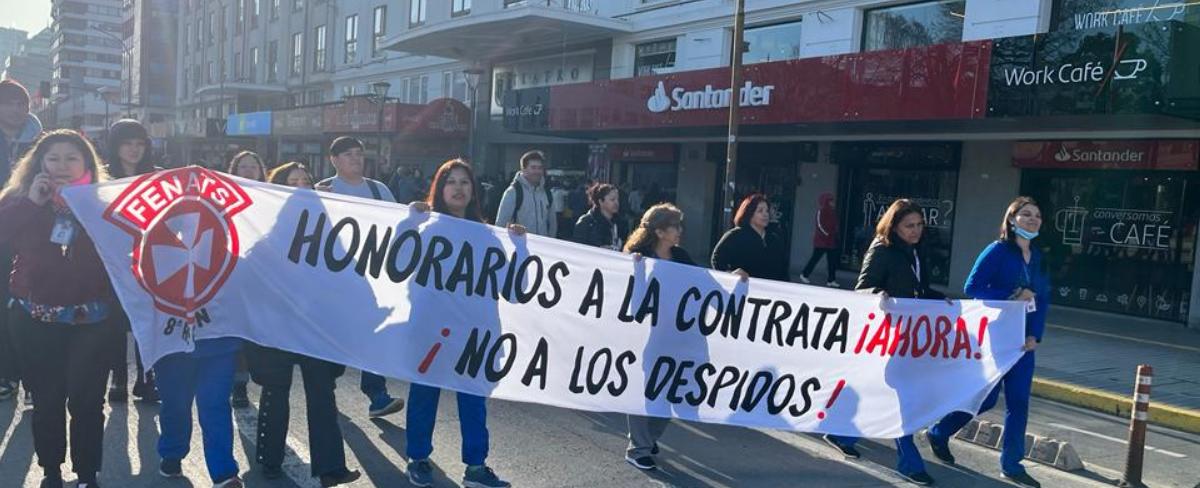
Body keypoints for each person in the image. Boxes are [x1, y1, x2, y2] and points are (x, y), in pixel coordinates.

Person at [0, 129, 112, 488]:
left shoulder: (104, 202)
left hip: (92, 320)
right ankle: (51, 469)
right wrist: (33, 202)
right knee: (47, 399)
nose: (62, 165)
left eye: (71, 158)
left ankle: (87, 473)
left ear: (87, 164)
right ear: (39, 163)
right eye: (53, 158)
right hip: (35, 318)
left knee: (87, 400)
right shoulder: (20, 198)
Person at [248, 162, 361, 485]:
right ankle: (270, 459)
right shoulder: (264, 230)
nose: (300, 186)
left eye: (305, 181)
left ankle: (331, 467)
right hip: (277, 327)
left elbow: (349, 268)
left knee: (322, 393)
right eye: (291, 181)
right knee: (275, 393)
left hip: (317, 326)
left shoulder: (332, 227)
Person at [404, 159, 513, 488]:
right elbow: (397, 263)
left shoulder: (488, 235)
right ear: (440, 187)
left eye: (465, 182)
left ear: (473, 190)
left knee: (473, 399)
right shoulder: (426, 227)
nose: (458, 188)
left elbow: (509, 286)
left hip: (475, 332)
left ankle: (476, 467)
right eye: (451, 182)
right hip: (431, 329)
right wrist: (409, 223)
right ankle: (418, 458)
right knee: (424, 394)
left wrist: (519, 246)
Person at [926, 197, 1048, 488]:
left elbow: (1042, 298)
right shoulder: (997, 251)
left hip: (1024, 342)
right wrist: (1012, 294)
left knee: (1019, 403)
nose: (1032, 219)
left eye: (1037, 215)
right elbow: (973, 286)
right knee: (987, 398)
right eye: (1026, 214)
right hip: (996, 336)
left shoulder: (1039, 257)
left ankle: (1012, 465)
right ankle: (940, 431)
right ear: (1012, 219)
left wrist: (1036, 335)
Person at [821, 198, 942, 486]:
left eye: (919, 225)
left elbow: (919, 289)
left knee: (882, 392)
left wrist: (942, 301)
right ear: (894, 225)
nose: (915, 231)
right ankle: (909, 463)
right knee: (904, 401)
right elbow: (863, 287)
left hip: (907, 335)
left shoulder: (915, 252)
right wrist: (878, 294)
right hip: (885, 335)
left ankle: (841, 433)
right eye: (909, 226)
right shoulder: (882, 250)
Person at [315, 136, 406, 418]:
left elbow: (399, 228)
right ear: (334, 160)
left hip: (371, 278)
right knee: (334, 341)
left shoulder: (379, 191)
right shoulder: (323, 191)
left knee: (373, 335)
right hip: (333, 281)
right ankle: (324, 385)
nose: (356, 159)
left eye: (359, 153)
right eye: (348, 154)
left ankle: (377, 394)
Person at [101, 119, 160, 404]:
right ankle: (118, 377)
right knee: (113, 321)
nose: (134, 150)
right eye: (127, 143)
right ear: (115, 146)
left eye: (140, 143)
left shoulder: (155, 178)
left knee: (145, 320)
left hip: (148, 260)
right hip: (110, 261)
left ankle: (147, 375)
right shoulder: (100, 178)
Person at [0, 79, 43, 404]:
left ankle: (33, 376)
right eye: (10, 102)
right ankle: (7, 372)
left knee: (31, 301)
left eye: (22, 103)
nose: (17, 109)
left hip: (31, 230)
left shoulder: (40, 144)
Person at [224, 150, 268, 410]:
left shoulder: (272, 198)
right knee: (238, 331)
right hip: (235, 273)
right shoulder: (226, 198)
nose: (249, 170)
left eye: (254, 166)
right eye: (243, 166)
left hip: (263, 276)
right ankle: (239, 385)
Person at [711, 193, 789, 281]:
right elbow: (717, 259)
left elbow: (783, 271)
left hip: (771, 291)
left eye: (767, 211)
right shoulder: (736, 235)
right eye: (760, 211)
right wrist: (730, 273)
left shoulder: (774, 239)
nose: (765, 214)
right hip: (745, 291)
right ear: (749, 213)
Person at [495, 149, 555, 237]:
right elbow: (500, 225)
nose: (537, 171)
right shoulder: (513, 192)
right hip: (520, 247)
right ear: (523, 169)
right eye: (533, 167)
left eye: (540, 168)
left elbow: (553, 224)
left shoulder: (547, 193)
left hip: (542, 248)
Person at [800, 192, 841, 287]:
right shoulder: (821, 211)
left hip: (830, 241)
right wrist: (826, 234)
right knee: (815, 258)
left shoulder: (832, 212)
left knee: (832, 261)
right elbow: (819, 224)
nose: (832, 203)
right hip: (821, 241)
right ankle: (804, 274)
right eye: (831, 201)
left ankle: (831, 280)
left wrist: (835, 234)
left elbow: (835, 224)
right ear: (827, 201)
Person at [573, 183, 624, 251]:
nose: (616, 203)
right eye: (612, 199)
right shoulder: (586, 222)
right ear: (600, 201)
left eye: (617, 199)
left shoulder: (620, 222)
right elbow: (577, 250)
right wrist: (599, 250)